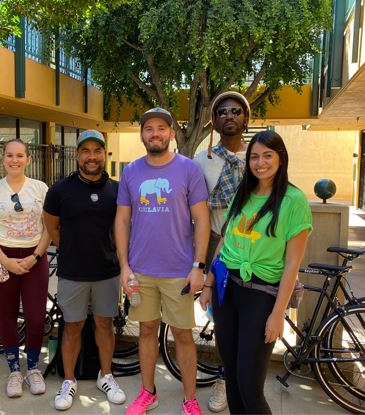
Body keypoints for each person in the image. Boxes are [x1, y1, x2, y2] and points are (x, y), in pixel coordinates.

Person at [198, 130, 312, 414]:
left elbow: (291, 265)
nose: (260, 163)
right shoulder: (243, 193)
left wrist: (277, 313)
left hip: (262, 297)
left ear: (281, 158)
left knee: (249, 384)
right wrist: (210, 284)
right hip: (228, 291)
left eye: (267, 156)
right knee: (233, 377)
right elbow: (226, 242)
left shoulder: (294, 201)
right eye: (254, 157)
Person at [115, 108, 210, 415]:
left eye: (160, 128)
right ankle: (147, 393)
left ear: (171, 133)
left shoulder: (189, 169)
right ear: (142, 134)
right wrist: (124, 266)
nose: (154, 134)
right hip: (140, 271)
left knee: (182, 334)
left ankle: (190, 398)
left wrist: (199, 266)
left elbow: (202, 220)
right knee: (145, 330)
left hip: (179, 272)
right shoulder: (131, 171)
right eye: (148, 129)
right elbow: (121, 220)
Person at [43, 129, 126, 411]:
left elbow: (122, 229)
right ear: (78, 155)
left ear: (105, 154)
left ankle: (107, 376)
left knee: (105, 325)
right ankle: (69, 381)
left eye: (97, 151)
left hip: (107, 271)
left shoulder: (117, 189)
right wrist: (71, 248)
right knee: (73, 327)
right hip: (73, 272)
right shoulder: (60, 190)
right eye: (86, 151)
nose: (92, 157)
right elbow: (52, 227)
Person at [0, 139, 50, 398]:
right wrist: (5, 260)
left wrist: (35, 257)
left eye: (20, 155)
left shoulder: (40, 188)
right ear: (3, 158)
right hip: (1, 258)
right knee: (6, 315)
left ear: (28, 159)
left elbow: (50, 227)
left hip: (34, 259)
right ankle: (14, 370)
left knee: (35, 318)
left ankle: (32, 368)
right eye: (9, 155)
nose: (14, 160)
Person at [193, 91, 250, 413]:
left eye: (236, 111)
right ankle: (225, 380)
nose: (229, 116)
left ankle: (244, 380)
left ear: (246, 118)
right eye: (222, 112)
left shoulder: (258, 155)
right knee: (222, 318)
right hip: (217, 245)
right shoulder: (203, 160)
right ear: (214, 121)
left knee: (249, 317)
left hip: (253, 246)